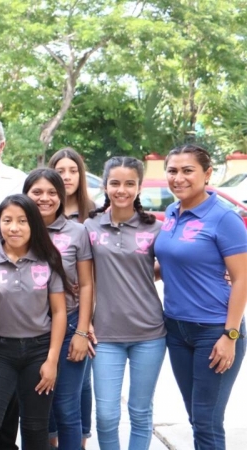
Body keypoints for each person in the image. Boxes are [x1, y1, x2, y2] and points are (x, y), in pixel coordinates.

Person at [155, 144, 247, 449]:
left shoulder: (224, 218)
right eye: (172, 171)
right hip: (176, 329)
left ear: (207, 174)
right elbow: (170, 263)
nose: (178, 177)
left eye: (187, 170)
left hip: (215, 330)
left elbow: (242, 278)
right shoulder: (172, 212)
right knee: (196, 416)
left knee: (207, 421)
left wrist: (230, 335)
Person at [0, 194, 68, 449]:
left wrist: (52, 361)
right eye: (7, 220)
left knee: (35, 429)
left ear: (33, 223)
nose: (14, 228)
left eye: (22, 221)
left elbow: (59, 312)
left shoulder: (48, 259)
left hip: (39, 351)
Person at [85, 157, 165, 450]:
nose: (122, 190)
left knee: (140, 412)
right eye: (115, 183)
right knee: (106, 416)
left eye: (130, 183)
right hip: (105, 334)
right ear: (105, 186)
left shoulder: (155, 228)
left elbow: (175, 263)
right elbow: (84, 276)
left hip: (150, 333)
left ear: (139, 187)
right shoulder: (90, 226)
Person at [24, 168, 93, 450]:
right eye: (37, 192)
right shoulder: (16, 228)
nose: (45, 198)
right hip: (28, 330)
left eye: (52, 192)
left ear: (62, 196)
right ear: (25, 195)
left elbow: (86, 284)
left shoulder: (77, 231)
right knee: (34, 410)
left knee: (66, 407)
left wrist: (82, 332)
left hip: (69, 325)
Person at [47, 147, 95, 448]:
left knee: (75, 391)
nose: (66, 177)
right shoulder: (31, 219)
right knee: (46, 398)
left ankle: (81, 440)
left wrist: (85, 325)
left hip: (81, 314)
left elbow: (94, 276)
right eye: (60, 171)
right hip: (41, 319)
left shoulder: (93, 215)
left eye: (73, 170)